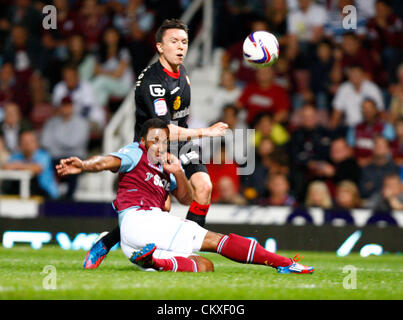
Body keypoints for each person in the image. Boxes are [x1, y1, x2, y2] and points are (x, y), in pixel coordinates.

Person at [56, 118, 314, 274]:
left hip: (134, 244)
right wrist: (85, 164)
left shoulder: (166, 168)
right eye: (153, 140)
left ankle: (155, 262)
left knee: (205, 267)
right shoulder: (135, 153)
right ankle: (283, 263)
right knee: (215, 240)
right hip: (141, 220)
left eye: (163, 141)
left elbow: (186, 198)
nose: (159, 145)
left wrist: (179, 173)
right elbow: (108, 161)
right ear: (144, 142)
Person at [83, 19, 228, 269]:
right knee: (161, 208)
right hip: (154, 146)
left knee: (203, 187)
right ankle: (107, 242)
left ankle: (186, 245)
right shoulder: (153, 82)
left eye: (184, 42)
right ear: (160, 47)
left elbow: (180, 120)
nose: (180, 47)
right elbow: (165, 130)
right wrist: (207, 131)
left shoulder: (182, 73)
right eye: (174, 42)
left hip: (180, 144)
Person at [2, 130, 59, 199]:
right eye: (24, 142)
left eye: (30, 141)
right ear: (19, 144)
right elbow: (6, 167)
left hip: (46, 193)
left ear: (36, 143)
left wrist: (18, 166)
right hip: (21, 191)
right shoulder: (16, 156)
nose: (27, 144)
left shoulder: (43, 155)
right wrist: (23, 166)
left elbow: (37, 169)